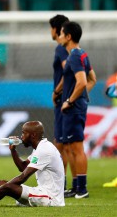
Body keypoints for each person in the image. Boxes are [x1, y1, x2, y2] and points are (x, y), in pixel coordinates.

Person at [60, 21, 97, 198]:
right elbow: (93, 79)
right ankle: (76, 186)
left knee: (77, 148)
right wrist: (81, 96)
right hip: (76, 107)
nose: (59, 37)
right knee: (70, 147)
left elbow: (83, 81)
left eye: (61, 33)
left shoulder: (74, 56)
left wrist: (70, 100)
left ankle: (82, 189)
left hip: (73, 108)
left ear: (68, 37)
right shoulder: (81, 54)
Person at [49, 14, 77, 198]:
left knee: (63, 144)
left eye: (50, 28)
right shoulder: (67, 49)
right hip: (67, 99)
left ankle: (68, 184)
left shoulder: (61, 49)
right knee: (62, 144)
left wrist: (57, 91)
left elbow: (69, 69)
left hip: (64, 100)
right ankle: (70, 184)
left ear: (57, 29)